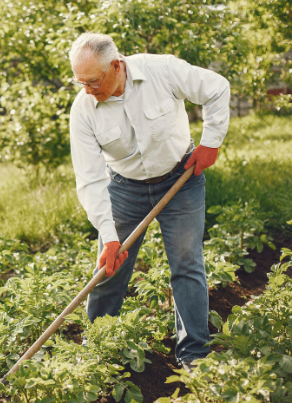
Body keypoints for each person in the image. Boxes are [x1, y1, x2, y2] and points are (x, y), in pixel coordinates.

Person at [68, 32, 230, 370]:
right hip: (124, 188)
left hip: (180, 178)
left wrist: (211, 142)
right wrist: (109, 236)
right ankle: (96, 352)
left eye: (93, 81)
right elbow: (91, 178)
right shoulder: (83, 109)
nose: (87, 90)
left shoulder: (161, 70)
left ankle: (194, 355)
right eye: (80, 82)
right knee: (109, 269)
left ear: (116, 66)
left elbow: (217, 88)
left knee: (187, 264)